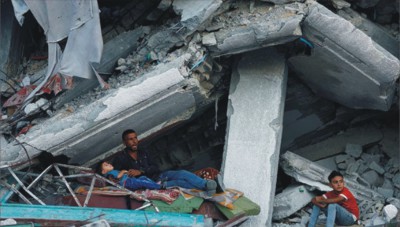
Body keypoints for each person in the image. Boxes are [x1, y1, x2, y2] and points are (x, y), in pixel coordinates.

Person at [112, 129, 217, 196]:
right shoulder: (121, 158)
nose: (134, 141)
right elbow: (119, 178)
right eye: (130, 139)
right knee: (181, 183)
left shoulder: (143, 151)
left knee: (182, 173)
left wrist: (141, 171)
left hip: (159, 175)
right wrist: (130, 174)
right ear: (124, 142)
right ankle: (208, 190)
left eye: (135, 138)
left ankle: (207, 185)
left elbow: (156, 167)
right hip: (152, 183)